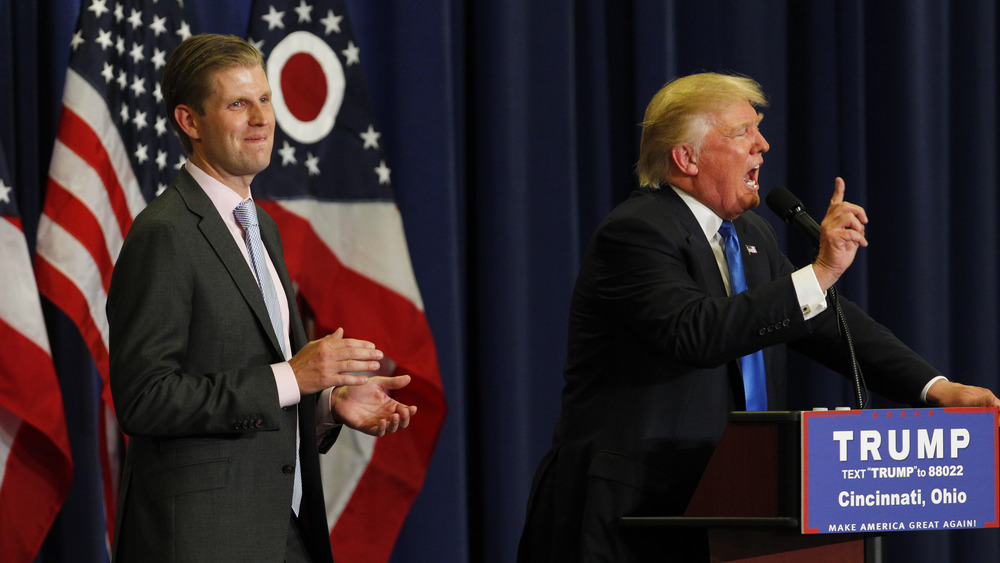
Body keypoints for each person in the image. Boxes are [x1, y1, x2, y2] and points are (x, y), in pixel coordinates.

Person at [517, 72, 1000, 562]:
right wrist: (821, 271)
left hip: (732, 503)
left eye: (758, 130)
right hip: (630, 515)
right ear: (687, 158)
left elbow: (826, 322)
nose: (763, 145)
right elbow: (697, 332)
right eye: (742, 133)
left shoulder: (751, 234)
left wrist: (936, 389)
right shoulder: (636, 232)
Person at [107, 34, 417, 563]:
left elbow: (262, 388)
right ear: (190, 121)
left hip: (284, 531)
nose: (262, 118)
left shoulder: (261, 228)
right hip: (203, 540)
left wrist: (325, 406)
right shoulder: (165, 232)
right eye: (238, 103)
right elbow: (145, 398)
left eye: (266, 99)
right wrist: (293, 377)